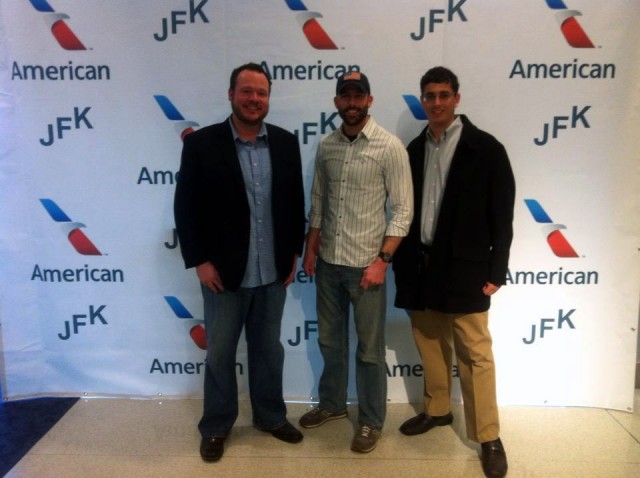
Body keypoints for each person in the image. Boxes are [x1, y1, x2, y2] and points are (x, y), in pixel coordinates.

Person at [174, 62, 306, 462]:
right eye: (246, 91)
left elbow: (294, 201)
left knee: (268, 349)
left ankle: (270, 416)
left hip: (272, 271)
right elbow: (186, 207)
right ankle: (216, 426)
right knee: (219, 353)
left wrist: (293, 254)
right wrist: (200, 260)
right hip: (223, 273)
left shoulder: (285, 143)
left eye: (261, 93)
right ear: (231, 94)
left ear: (269, 98)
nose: (254, 99)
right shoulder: (201, 144)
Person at [392, 66, 515, 478]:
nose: (437, 102)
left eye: (444, 95)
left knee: (475, 354)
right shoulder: (412, 149)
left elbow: (502, 215)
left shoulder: (487, 149)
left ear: (457, 98)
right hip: (420, 264)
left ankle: (488, 436)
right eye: (430, 95)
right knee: (429, 342)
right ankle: (439, 410)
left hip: (466, 267)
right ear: (422, 100)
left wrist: (498, 269)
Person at [299, 71, 413, 453]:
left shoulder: (389, 146)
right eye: (345, 96)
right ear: (336, 102)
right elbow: (318, 202)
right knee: (331, 342)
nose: (351, 103)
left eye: (357, 96)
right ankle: (332, 405)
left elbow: (403, 211)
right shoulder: (327, 146)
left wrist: (382, 260)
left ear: (369, 100)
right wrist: (311, 248)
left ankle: (370, 421)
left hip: (368, 268)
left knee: (368, 351)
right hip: (328, 264)